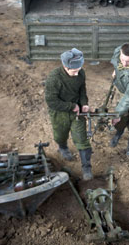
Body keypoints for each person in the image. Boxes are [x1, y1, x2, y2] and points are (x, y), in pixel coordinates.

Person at [44, 48, 94, 180]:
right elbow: (51, 101)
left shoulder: (80, 73)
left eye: (79, 70)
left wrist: (84, 103)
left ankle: (86, 167)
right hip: (59, 112)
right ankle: (62, 147)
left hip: (77, 112)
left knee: (82, 139)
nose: (77, 73)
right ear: (65, 67)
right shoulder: (54, 78)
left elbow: (82, 90)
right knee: (60, 135)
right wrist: (71, 106)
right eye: (74, 71)